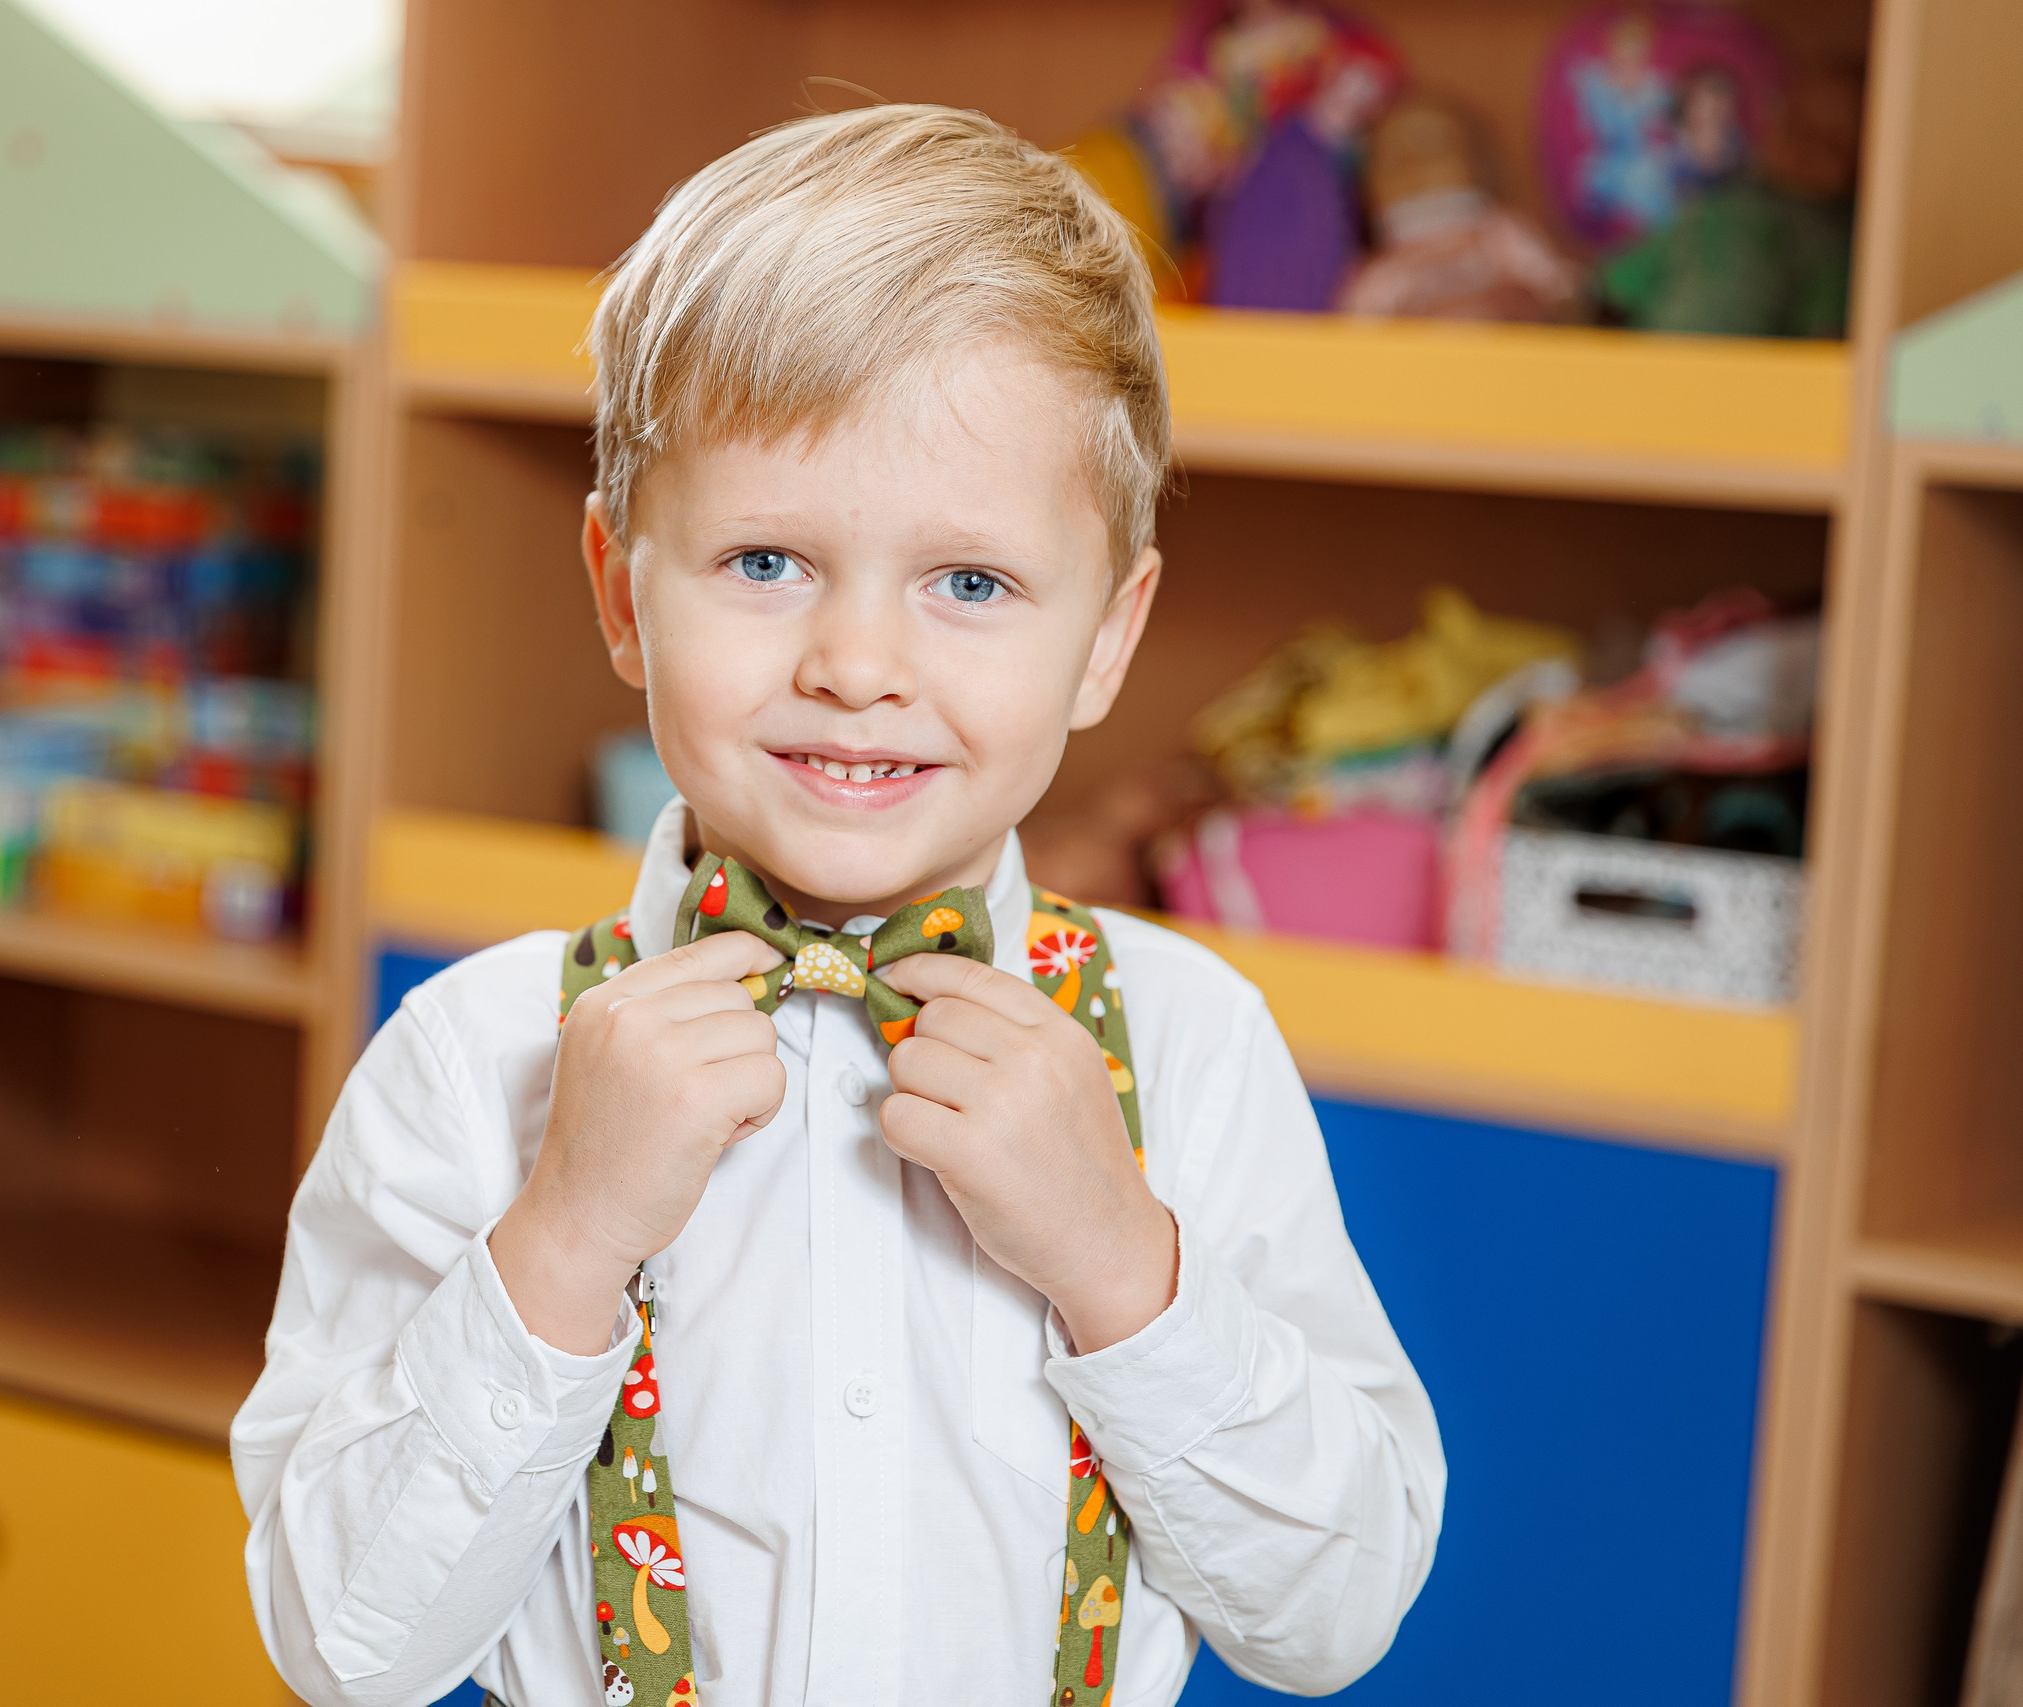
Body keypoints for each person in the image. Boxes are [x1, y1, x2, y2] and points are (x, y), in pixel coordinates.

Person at [233, 103, 1444, 1707]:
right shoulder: (472, 1062)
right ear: (619, 591)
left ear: (1107, 635)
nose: (859, 666)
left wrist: (1118, 1259)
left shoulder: (1193, 1047)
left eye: (970, 583)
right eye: (765, 562)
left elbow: (1334, 1614)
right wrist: (566, 1235)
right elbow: (342, 1647)